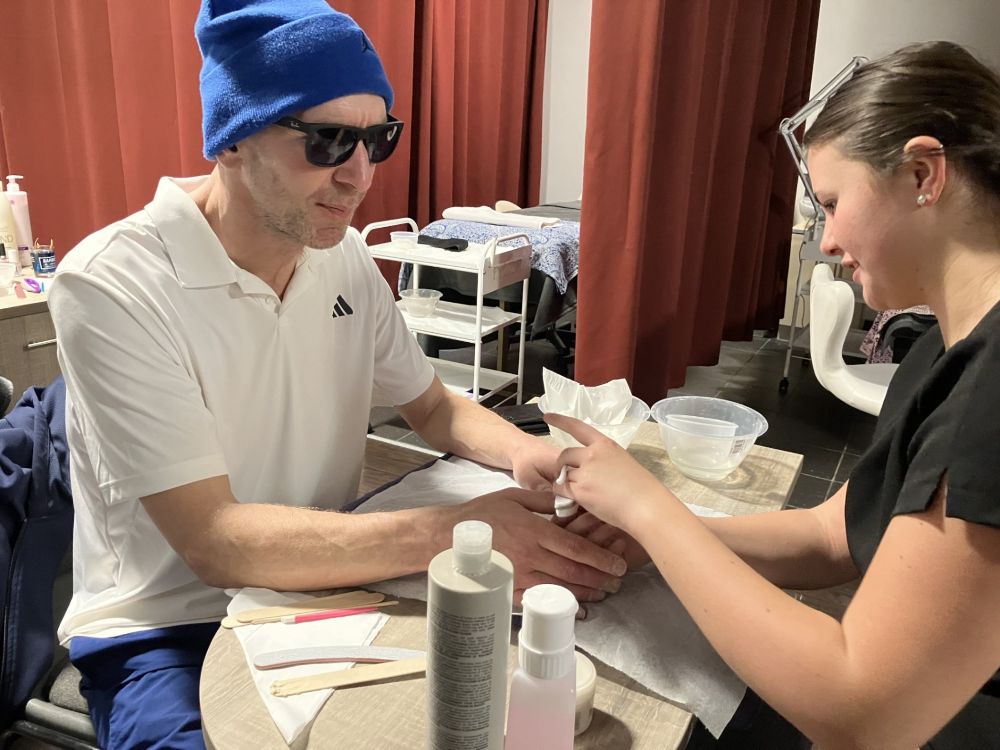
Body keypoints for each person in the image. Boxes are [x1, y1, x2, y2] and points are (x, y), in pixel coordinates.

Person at [47, 1, 626, 747]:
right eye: (326, 141)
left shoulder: (339, 255)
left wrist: (531, 454)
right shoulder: (113, 285)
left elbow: (432, 408)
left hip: (329, 582)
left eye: (377, 138)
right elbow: (216, 542)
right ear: (231, 139)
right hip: (170, 624)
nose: (358, 176)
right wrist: (456, 531)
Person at [547, 41, 1000, 750]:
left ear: (922, 174)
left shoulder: (988, 391)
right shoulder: (944, 347)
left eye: (831, 204)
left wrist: (648, 506)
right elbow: (833, 536)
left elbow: (863, 711)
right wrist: (650, 540)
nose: (826, 242)